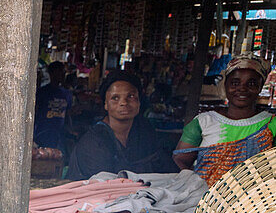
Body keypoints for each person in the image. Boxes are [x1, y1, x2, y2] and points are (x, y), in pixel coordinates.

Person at [174, 55, 275, 186]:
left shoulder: (271, 124)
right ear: (226, 85)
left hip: (253, 201)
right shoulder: (204, 122)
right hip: (206, 198)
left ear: (260, 87)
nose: (242, 88)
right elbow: (181, 159)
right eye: (235, 83)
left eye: (251, 83)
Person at [68, 70, 175, 180]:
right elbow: (103, 186)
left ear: (139, 101)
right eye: (115, 98)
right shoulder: (94, 142)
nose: (123, 103)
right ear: (106, 104)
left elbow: (165, 168)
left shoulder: (145, 131)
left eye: (131, 96)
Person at [33, 61, 72, 150]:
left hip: (60, 135)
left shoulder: (67, 93)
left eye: (63, 73)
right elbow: (34, 111)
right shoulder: (42, 92)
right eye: (59, 72)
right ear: (51, 74)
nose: (61, 75)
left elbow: (68, 114)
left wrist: (70, 129)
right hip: (42, 133)